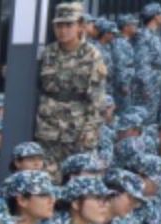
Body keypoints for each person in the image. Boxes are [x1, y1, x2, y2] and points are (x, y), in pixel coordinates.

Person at [35, 2, 108, 177]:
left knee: (79, 179)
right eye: (59, 25)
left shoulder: (91, 55)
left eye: (69, 25)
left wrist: (90, 129)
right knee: (48, 178)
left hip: (78, 129)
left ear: (80, 26)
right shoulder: (48, 53)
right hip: (49, 127)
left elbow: (97, 99)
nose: (63, 30)